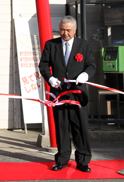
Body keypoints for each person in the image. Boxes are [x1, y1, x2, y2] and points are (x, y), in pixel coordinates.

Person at [39, 15, 96, 173]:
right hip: (59, 93)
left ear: (75, 30)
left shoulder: (83, 45)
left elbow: (91, 65)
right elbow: (43, 65)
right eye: (62, 30)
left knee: (80, 127)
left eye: (69, 30)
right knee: (62, 127)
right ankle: (62, 159)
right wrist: (50, 78)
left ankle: (83, 160)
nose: (65, 33)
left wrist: (85, 75)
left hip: (78, 94)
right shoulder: (51, 45)